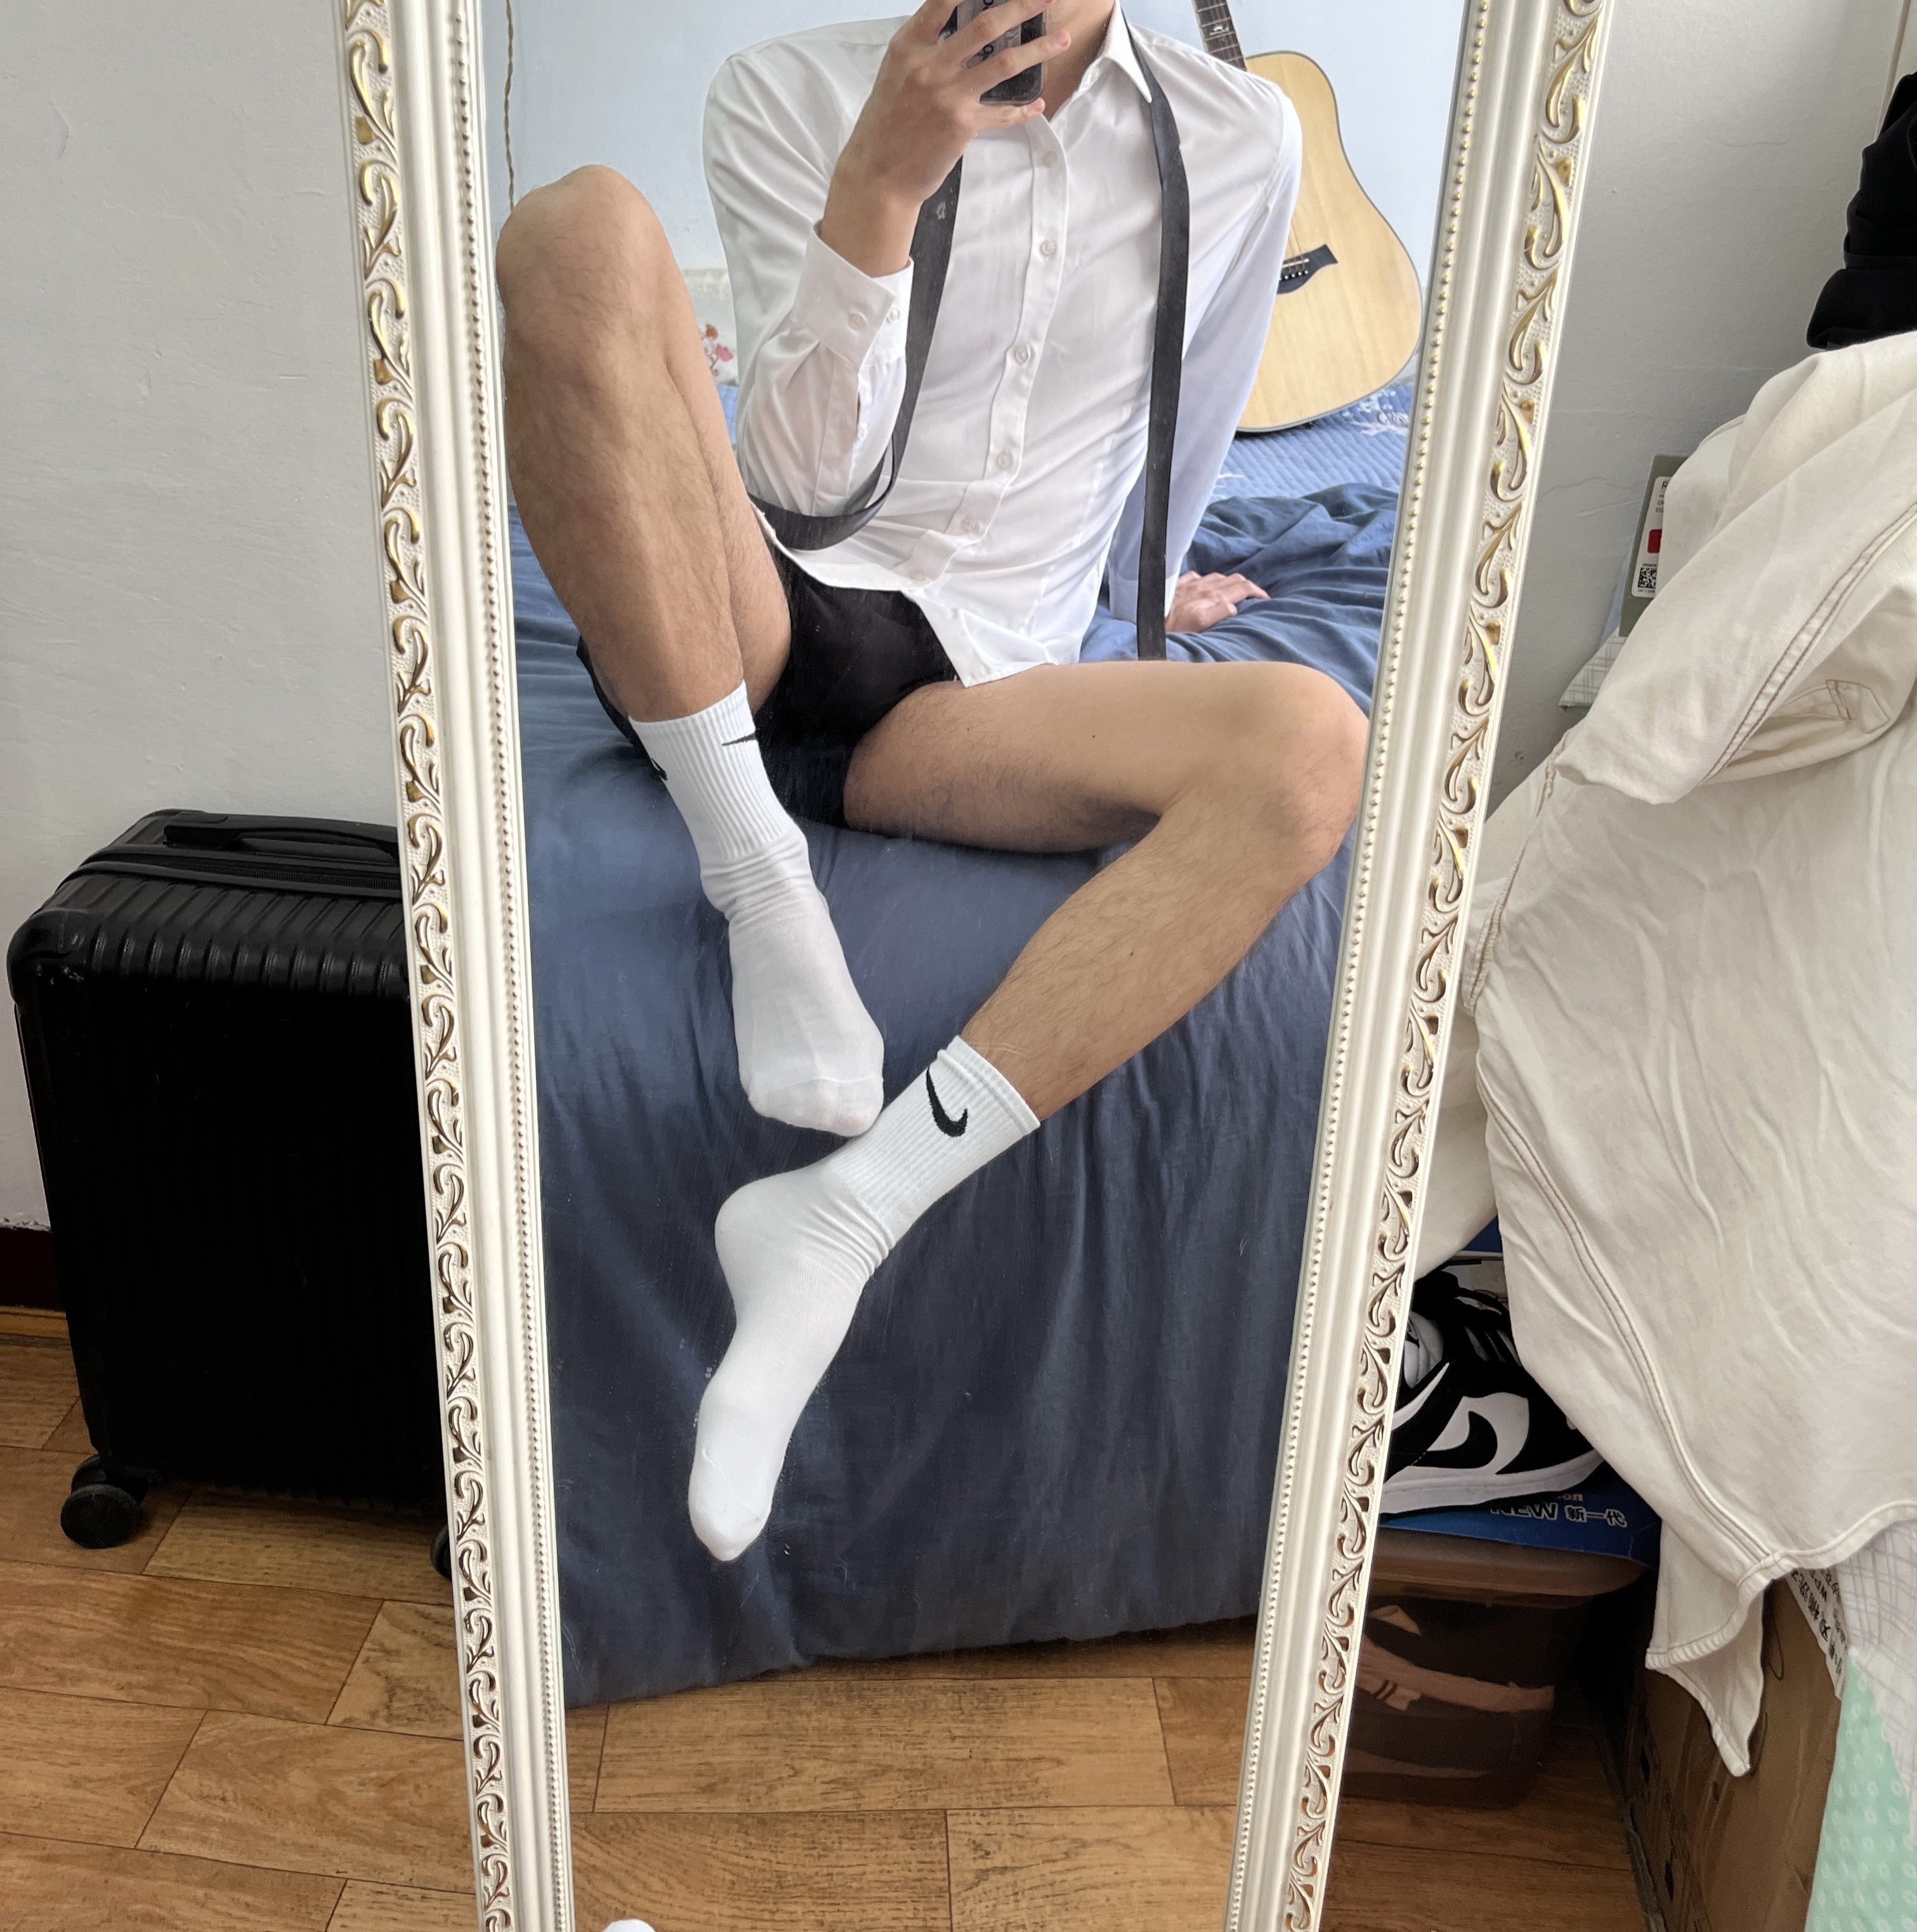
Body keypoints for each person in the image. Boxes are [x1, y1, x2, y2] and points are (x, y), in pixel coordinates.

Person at [496, 0, 1368, 1561]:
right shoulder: (783, 90)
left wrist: (1150, 596)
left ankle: (842, 1216)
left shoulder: (1241, 139)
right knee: (574, 228)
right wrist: (880, 186)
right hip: (750, 614)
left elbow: (1190, 408)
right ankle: (754, 868)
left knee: (1311, 743)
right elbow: (798, 484)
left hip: (981, 687)